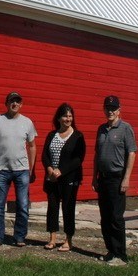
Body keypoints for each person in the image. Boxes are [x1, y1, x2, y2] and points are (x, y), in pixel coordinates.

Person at [0, 91, 38, 247]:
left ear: (21, 104)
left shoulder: (27, 122)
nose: (14, 104)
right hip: (1, 170)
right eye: (11, 101)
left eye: (17, 102)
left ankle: (19, 237)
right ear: (7, 104)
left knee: (22, 205)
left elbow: (33, 146)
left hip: (22, 170)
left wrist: (32, 169)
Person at [92, 94, 137, 266]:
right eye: (107, 108)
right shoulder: (101, 129)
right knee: (105, 216)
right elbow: (97, 154)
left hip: (117, 178)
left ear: (119, 110)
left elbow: (132, 153)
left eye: (113, 108)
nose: (110, 111)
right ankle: (110, 250)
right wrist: (94, 177)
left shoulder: (125, 128)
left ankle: (121, 254)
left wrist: (126, 178)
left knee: (116, 217)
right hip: (102, 178)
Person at [42, 102, 86, 252]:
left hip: (69, 178)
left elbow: (78, 159)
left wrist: (61, 170)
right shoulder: (51, 135)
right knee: (52, 207)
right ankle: (52, 238)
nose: (68, 118)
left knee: (68, 207)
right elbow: (45, 155)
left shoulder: (78, 136)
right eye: (65, 116)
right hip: (51, 178)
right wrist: (49, 170)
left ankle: (68, 240)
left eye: (70, 116)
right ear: (59, 118)